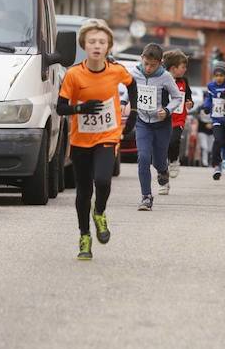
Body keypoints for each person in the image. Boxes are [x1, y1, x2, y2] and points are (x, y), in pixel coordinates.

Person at [57, 19, 137, 260]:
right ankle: (84, 236)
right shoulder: (73, 75)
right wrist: (81, 109)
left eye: (102, 42)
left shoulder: (116, 71)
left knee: (102, 180)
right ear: (84, 44)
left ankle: (99, 212)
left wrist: (130, 112)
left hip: (107, 135)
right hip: (81, 140)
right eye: (92, 41)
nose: (96, 45)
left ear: (109, 46)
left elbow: (132, 85)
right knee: (83, 191)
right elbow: (61, 108)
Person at [130, 43, 184, 210]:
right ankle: (146, 196)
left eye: (153, 65)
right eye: (146, 63)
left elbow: (177, 97)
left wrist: (167, 111)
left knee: (159, 160)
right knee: (144, 157)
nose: (148, 68)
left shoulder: (166, 76)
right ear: (142, 59)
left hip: (161, 124)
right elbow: (128, 91)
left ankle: (163, 171)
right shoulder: (134, 73)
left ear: (160, 63)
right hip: (142, 122)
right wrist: (125, 102)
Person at [163, 49, 194, 178]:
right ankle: (164, 171)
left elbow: (189, 97)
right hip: (163, 119)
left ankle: (174, 161)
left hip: (178, 119)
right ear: (173, 68)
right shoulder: (162, 79)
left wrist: (190, 103)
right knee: (164, 145)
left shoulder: (184, 81)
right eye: (183, 67)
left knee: (174, 141)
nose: (185, 69)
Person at [202, 61, 225, 180]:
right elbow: (209, 99)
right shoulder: (211, 86)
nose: (219, 78)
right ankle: (216, 165)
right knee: (218, 140)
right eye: (216, 75)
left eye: (221, 75)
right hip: (217, 118)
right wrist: (206, 106)